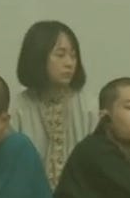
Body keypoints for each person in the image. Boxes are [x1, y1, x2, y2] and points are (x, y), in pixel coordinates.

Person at [8, 21, 97, 187]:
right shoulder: (18, 107)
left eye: (73, 55)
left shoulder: (89, 105)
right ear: (37, 56)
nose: (70, 63)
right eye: (60, 54)